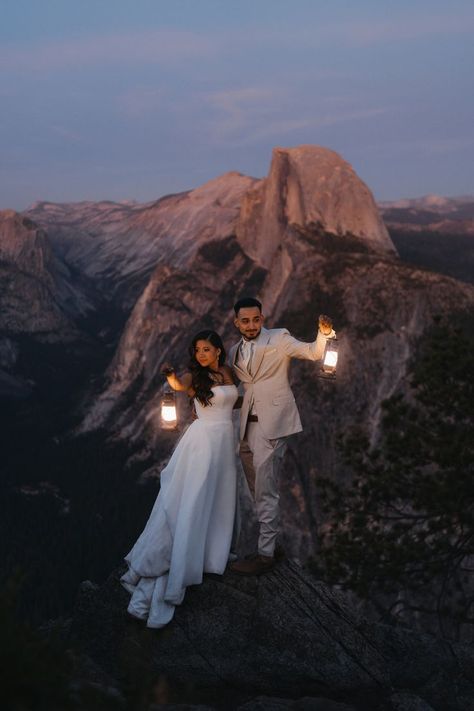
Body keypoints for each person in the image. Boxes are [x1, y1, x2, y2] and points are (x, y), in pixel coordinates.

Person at [121, 330, 238, 628]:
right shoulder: (193, 378)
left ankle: (211, 551)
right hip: (203, 441)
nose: (201, 354)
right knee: (195, 496)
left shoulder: (227, 372)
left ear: (218, 351)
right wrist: (171, 377)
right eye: (197, 349)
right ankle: (184, 553)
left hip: (225, 441)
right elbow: (177, 385)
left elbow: (234, 402)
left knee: (218, 496)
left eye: (206, 349)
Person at [229, 297, 335, 575]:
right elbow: (242, 387)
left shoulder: (279, 338)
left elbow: (313, 353)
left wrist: (324, 334)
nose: (251, 325)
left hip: (272, 425)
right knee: (256, 490)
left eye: (256, 319)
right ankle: (271, 544)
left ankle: (265, 556)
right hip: (245, 428)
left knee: (267, 488)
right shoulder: (233, 352)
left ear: (262, 318)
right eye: (245, 321)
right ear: (236, 322)